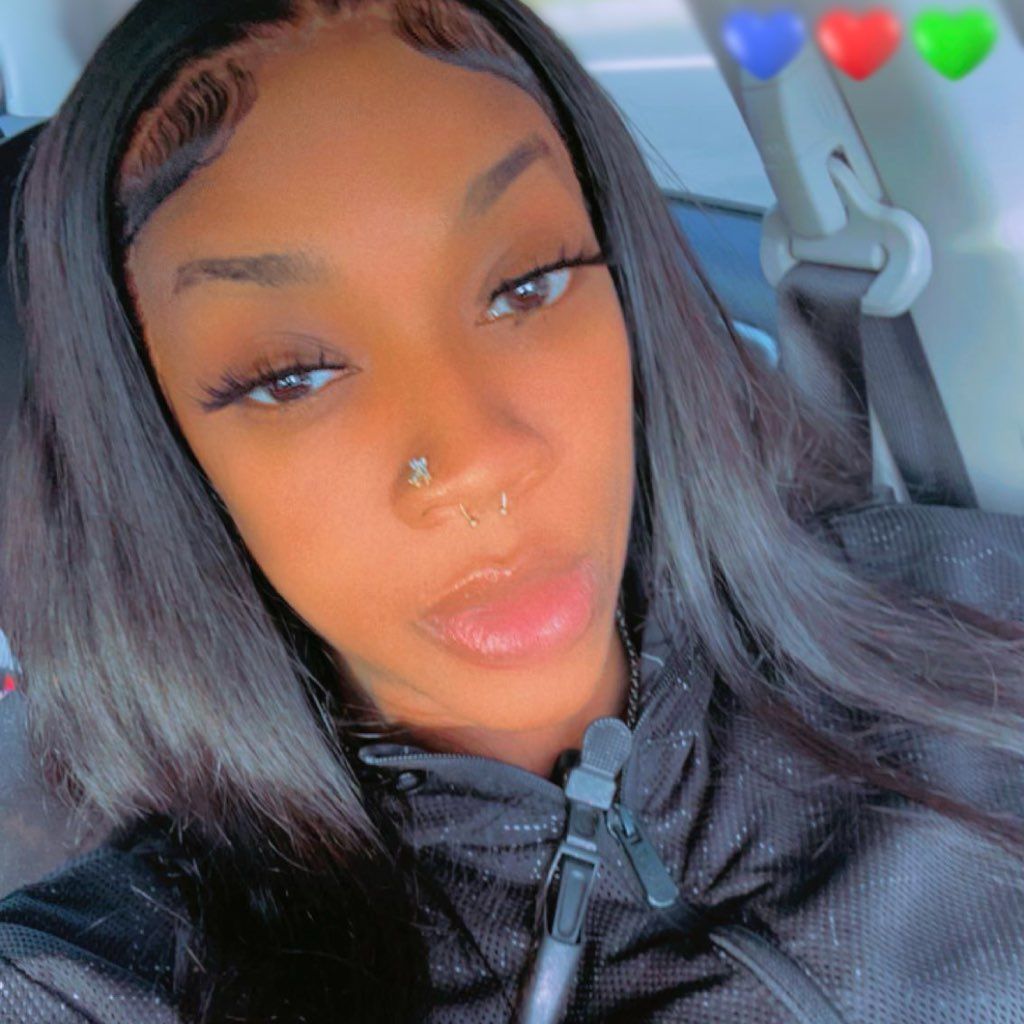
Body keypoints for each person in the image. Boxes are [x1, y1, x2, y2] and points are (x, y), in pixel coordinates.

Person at [1, 1, 1023, 1021]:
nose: (476, 462)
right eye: (291, 376)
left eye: (528, 284)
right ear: (166, 457)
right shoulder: (116, 978)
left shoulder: (972, 607)